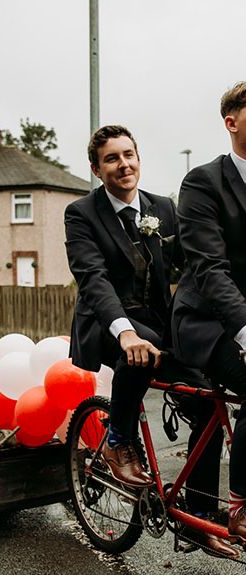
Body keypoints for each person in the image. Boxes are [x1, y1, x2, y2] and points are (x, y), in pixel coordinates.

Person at [65, 125, 236, 559]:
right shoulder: (81, 213)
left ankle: (197, 519)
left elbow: (193, 265)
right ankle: (119, 437)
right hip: (109, 326)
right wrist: (123, 330)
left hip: (162, 327)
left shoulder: (162, 208)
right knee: (139, 351)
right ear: (96, 168)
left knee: (204, 400)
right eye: (111, 158)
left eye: (129, 155)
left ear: (138, 158)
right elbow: (93, 279)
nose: (123, 164)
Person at [171, 81, 246, 548]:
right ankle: (240, 508)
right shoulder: (203, 182)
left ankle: (201, 506)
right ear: (231, 122)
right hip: (207, 322)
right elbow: (210, 268)